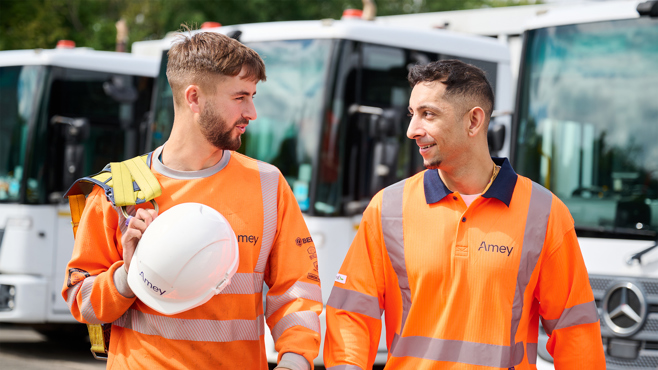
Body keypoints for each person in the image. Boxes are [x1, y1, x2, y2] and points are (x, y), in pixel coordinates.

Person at [62, 30, 321, 370]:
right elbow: (82, 303)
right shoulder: (118, 187)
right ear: (195, 98)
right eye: (240, 97)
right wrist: (129, 275)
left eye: (253, 96)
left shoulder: (268, 184)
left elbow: (297, 290)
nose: (252, 112)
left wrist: (295, 361)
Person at [323, 60, 605, 369]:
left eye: (427, 114)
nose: (411, 130)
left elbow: (575, 332)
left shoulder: (545, 213)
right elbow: (351, 314)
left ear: (473, 121)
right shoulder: (388, 208)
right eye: (412, 114)